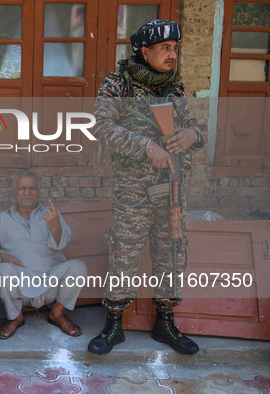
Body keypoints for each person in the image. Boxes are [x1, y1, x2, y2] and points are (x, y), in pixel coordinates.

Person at [88, 20, 204, 356]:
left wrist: (193, 135)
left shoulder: (174, 86)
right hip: (134, 189)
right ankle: (113, 324)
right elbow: (101, 124)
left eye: (175, 49)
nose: (172, 55)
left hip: (172, 187)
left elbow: (194, 127)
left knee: (171, 255)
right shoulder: (119, 82)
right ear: (145, 51)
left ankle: (165, 322)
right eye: (165, 48)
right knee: (123, 253)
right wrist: (144, 147)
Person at [0, 171, 87, 339]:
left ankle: (57, 313)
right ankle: (15, 317)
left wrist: (55, 226)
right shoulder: (2, 219)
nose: (27, 193)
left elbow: (62, 244)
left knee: (79, 267)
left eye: (32, 188)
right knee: (2, 269)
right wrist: (4, 256)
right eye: (22, 188)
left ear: (39, 190)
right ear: (14, 191)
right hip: (19, 287)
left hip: (50, 282)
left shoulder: (51, 215)